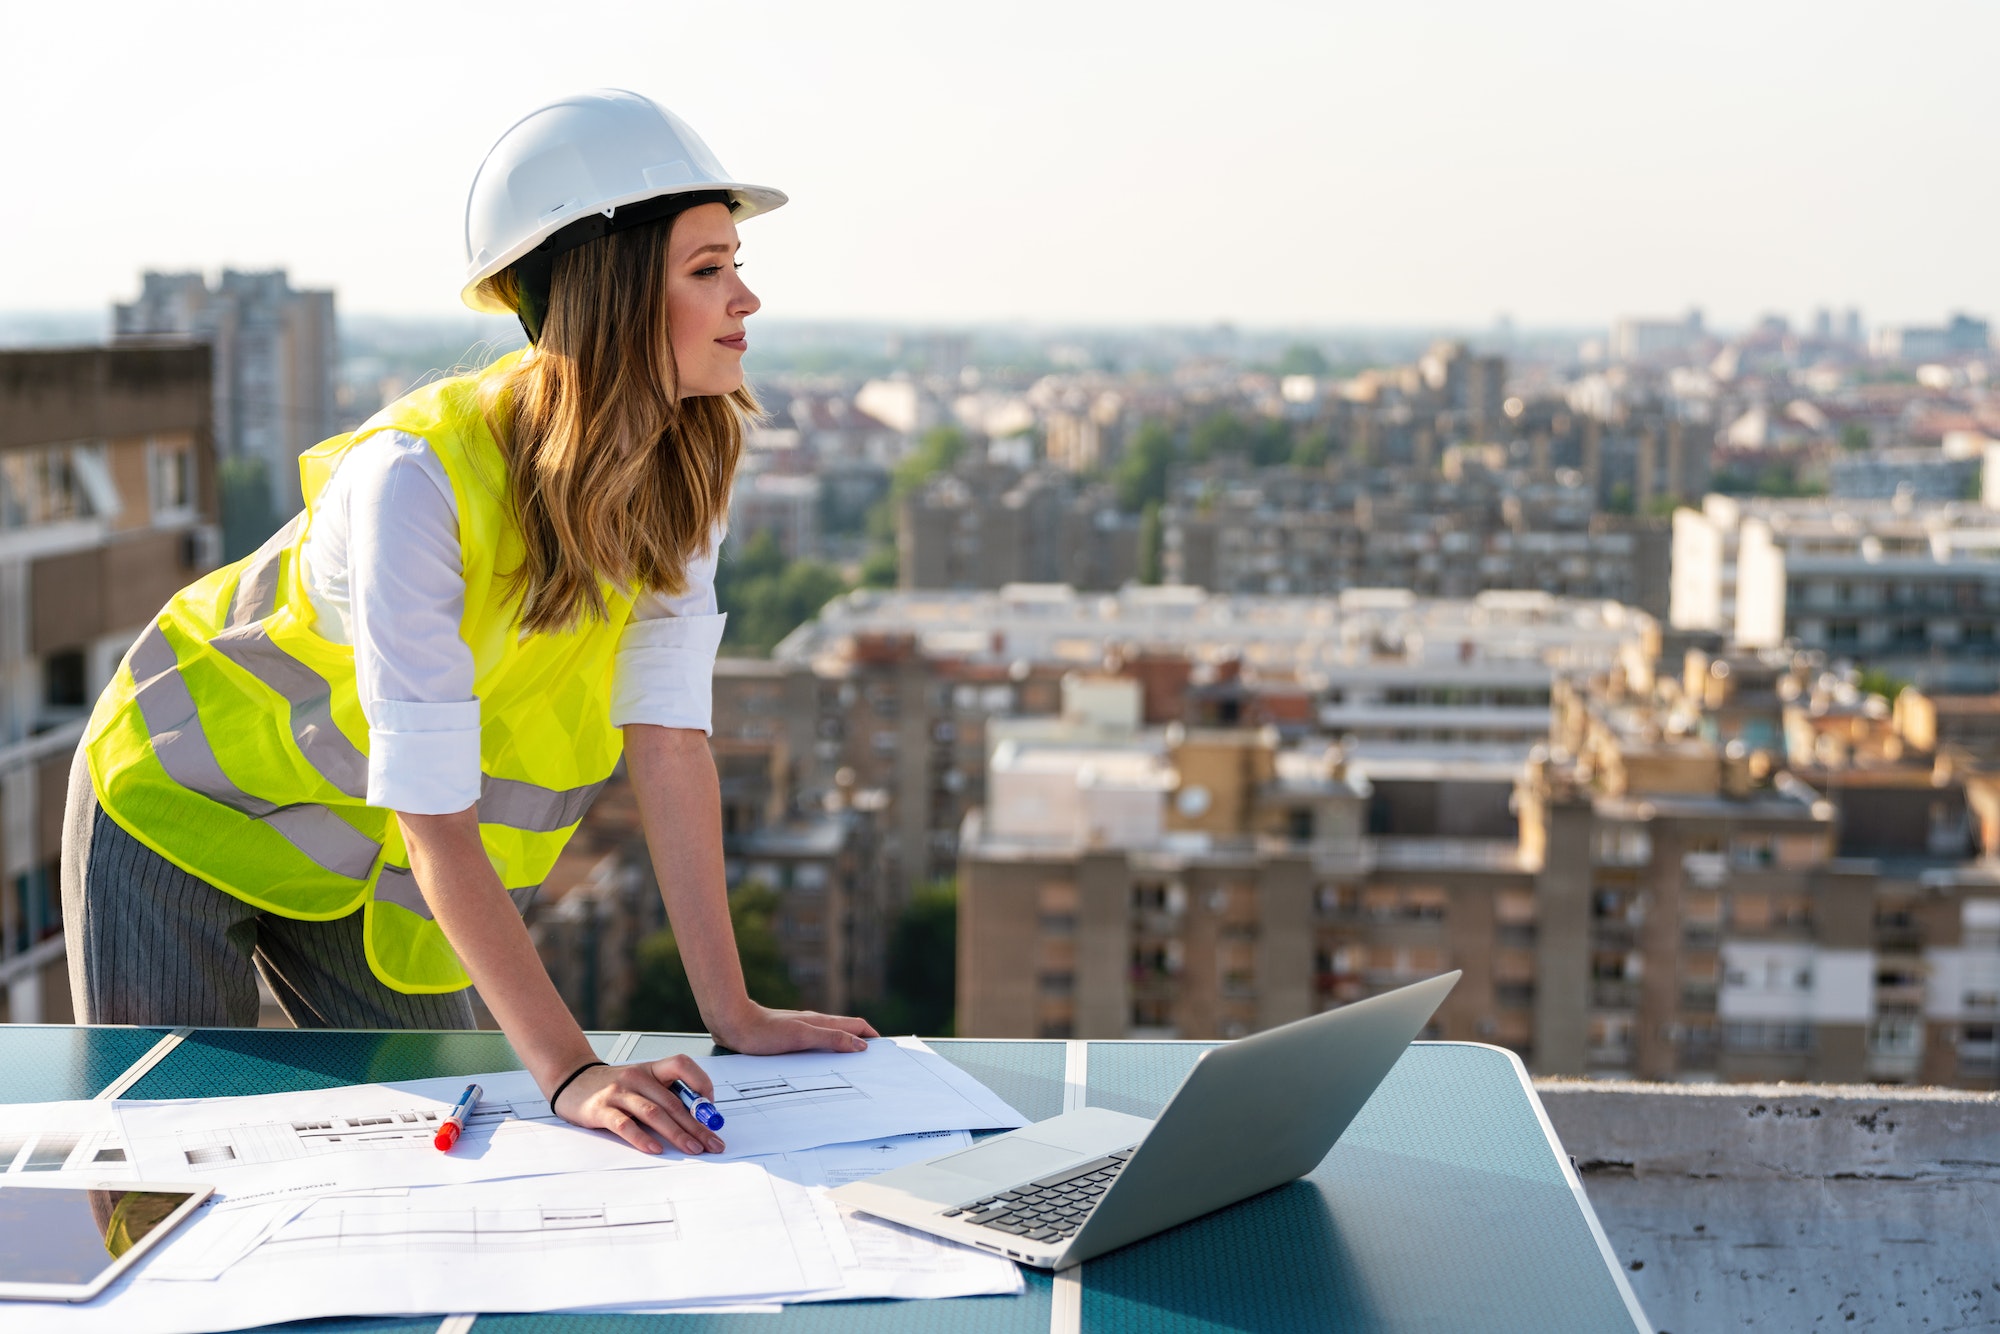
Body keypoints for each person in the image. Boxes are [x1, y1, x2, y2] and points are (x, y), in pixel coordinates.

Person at [60, 89, 876, 1158]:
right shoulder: (416, 480)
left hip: (367, 853)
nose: (747, 296)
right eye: (708, 268)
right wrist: (574, 1067)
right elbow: (436, 815)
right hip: (181, 808)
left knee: (453, 1152)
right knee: (163, 1168)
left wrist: (734, 1012)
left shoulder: (683, 476)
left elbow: (670, 743)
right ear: (616, 293)